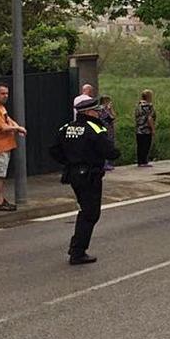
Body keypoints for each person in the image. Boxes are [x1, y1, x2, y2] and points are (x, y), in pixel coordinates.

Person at [50, 96, 120, 265]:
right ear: (89, 112)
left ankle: (77, 247)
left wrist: (69, 161)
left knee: (85, 209)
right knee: (90, 213)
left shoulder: (67, 127)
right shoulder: (95, 128)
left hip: (73, 174)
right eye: (96, 111)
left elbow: (53, 150)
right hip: (90, 175)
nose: (98, 114)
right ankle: (78, 251)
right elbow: (111, 152)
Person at [0, 83, 27, 211]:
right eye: (2, 93)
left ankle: (1, 199)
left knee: (1, 175)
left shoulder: (0, 107)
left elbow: (8, 120)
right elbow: (2, 127)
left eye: (7, 93)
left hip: (4, 146)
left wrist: (16, 126)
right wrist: (17, 128)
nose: (5, 96)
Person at [134, 89, 156, 167]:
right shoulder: (149, 106)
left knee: (140, 145)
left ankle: (140, 161)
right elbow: (150, 118)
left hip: (139, 128)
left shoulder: (138, 105)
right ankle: (144, 161)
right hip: (146, 129)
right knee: (146, 145)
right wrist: (153, 129)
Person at [98, 95, 117, 170]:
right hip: (106, 130)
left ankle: (107, 163)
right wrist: (110, 109)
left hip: (108, 130)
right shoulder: (103, 109)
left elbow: (114, 117)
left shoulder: (102, 109)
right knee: (107, 146)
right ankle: (105, 164)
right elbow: (111, 117)